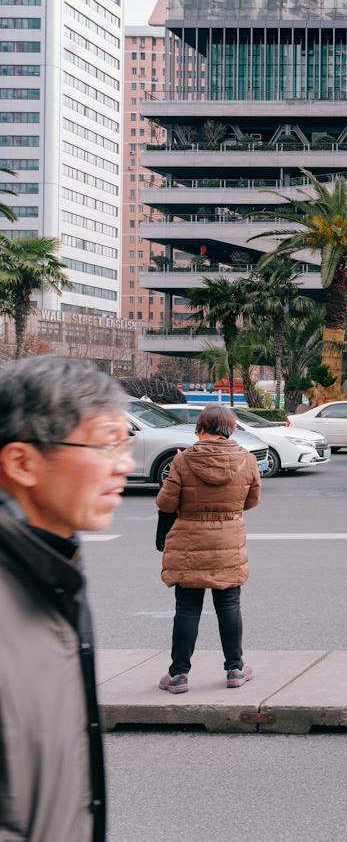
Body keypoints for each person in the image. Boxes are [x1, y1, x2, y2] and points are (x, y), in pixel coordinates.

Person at [0, 356, 133, 841]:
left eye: (126, 442)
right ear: (22, 463)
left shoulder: (52, 568)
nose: (126, 464)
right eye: (105, 444)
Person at [155, 402, 260, 692]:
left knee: (187, 608)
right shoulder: (246, 460)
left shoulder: (183, 460)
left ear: (201, 428)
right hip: (228, 540)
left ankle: (178, 675)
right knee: (229, 605)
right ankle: (235, 670)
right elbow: (251, 501)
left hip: (189, 541)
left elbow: (165, 502)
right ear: (229, 429)